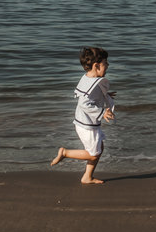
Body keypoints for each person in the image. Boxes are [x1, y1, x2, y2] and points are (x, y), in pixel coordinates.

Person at [50, 46, 116, 184]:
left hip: (86, 123)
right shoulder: (91, 84)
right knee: (94, 154)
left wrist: (105, 94)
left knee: (99, 149)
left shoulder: (87, 78)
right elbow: (84, 104)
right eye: (106, 63)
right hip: (87, 125)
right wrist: (102, 112)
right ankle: (65, 153)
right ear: (96, 66)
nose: (108, 65)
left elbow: (90, 95)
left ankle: (87, 177)